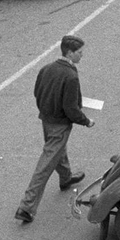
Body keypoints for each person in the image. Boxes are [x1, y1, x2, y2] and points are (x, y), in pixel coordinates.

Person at [15, 34, 92, 224]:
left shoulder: (46, 68)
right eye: (80, 53)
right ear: (70, 53)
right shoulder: (71, 76)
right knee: (46, 164)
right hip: (60, 124)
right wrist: (86, 121)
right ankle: (27, 206)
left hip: (46, 120)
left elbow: (36, 92)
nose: (82, 56)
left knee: (57, 150)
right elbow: (71, 109)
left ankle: (66, 177)